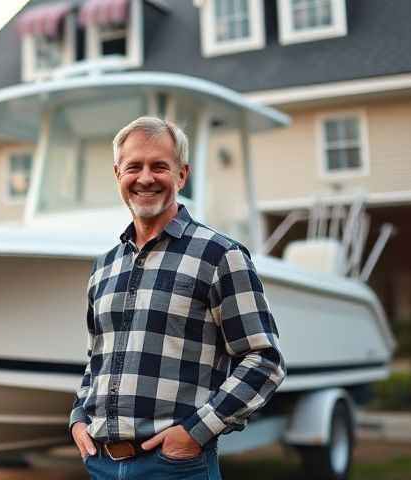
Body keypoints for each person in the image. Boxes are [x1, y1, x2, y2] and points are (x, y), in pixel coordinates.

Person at [69, 116, 286, 480]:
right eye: (133, 167)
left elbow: (264, 360)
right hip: (102, 466)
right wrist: (79, 417)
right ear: (117, 175)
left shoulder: (220, 255)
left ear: (182, 175)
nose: (145, 177)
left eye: (160, 166)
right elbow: (97, 359)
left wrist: (193, 433)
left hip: (176, 468)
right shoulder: (103, 267)